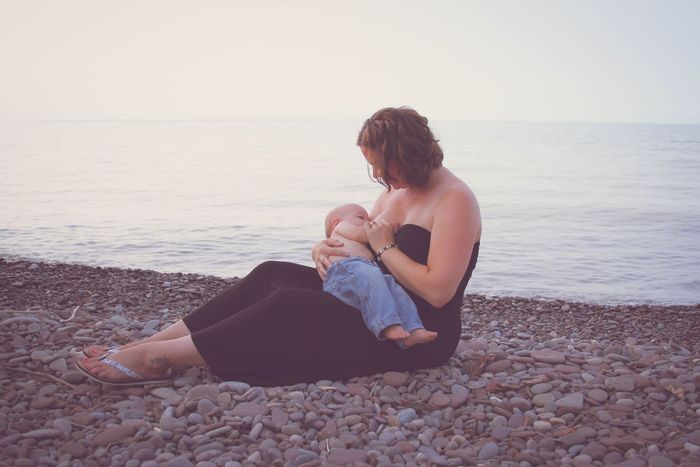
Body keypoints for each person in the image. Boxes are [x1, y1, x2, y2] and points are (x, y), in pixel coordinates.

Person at [77, 106, 481, 386]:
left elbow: (438, 292)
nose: (376, 174)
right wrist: (323, 251)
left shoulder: (454, 199)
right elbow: (366, 249)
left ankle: (159, 359)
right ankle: (149, 343)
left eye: (382, 164)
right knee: (272, 274)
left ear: (407, 154)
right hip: (373, 298)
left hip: (417, 326)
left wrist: (386, 247)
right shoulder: (397, 192)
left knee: (290, 304)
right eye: (371, 164)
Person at [323, 203, 437, 348]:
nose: (367, 222)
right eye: (360, 217)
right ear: (336, 222)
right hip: (346, 269)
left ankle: (413, 328)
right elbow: (364, 235)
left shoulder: (351, 238)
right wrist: (391, 226)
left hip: (365, 271)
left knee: (394, 290)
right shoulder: (341, 227)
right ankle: (387, 325)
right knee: (372, 278)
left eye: (367, 219)